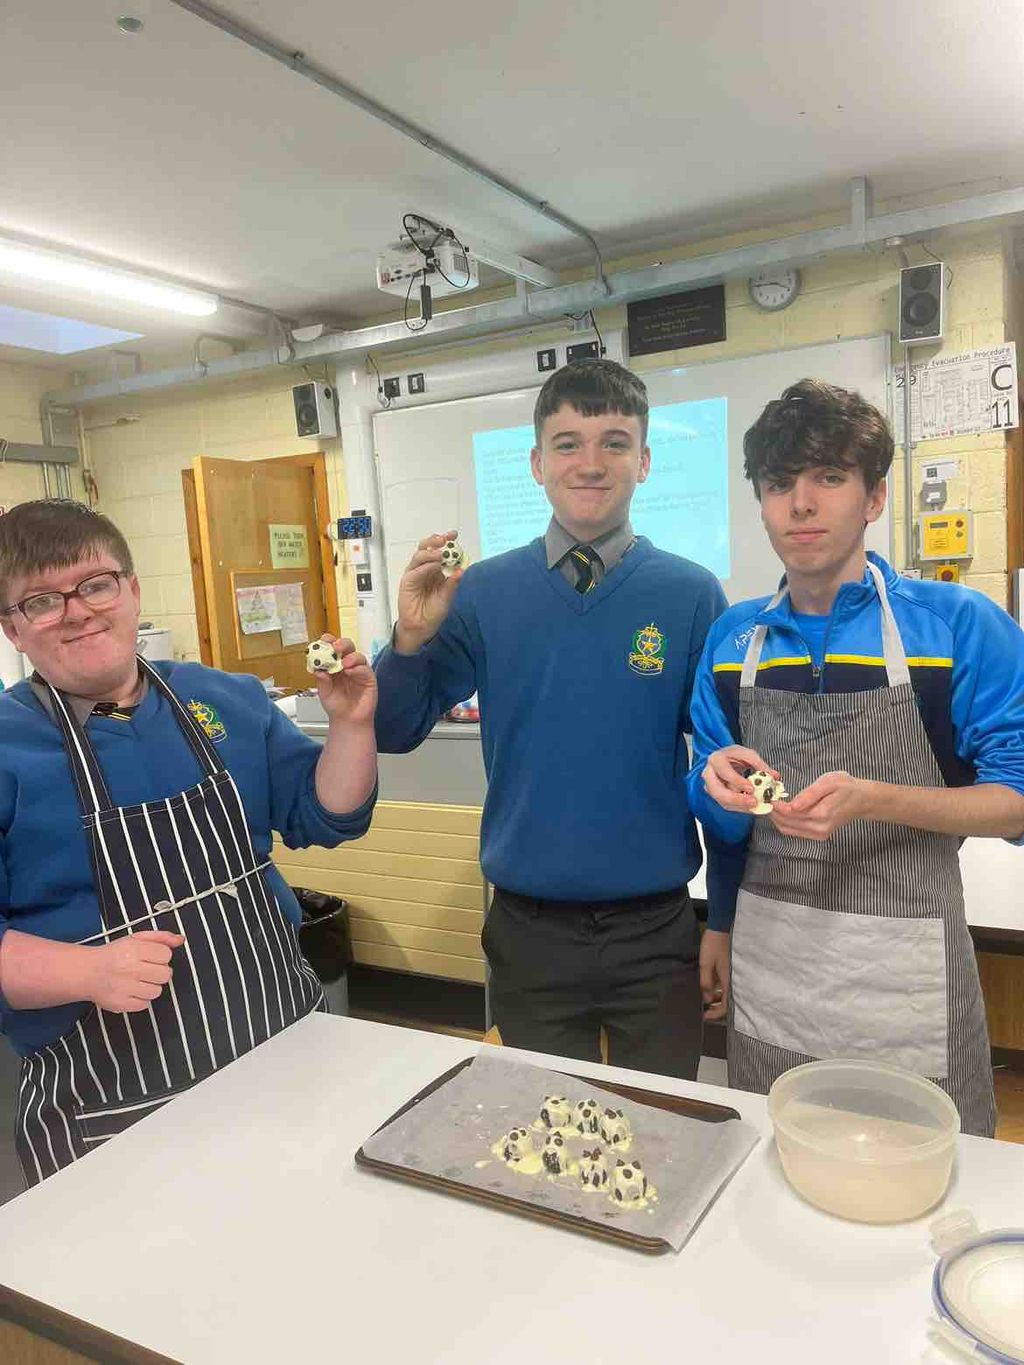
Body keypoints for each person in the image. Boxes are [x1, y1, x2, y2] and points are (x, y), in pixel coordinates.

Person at [374, 359, 739, 1078]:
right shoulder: (480, 591)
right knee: (543, 1120)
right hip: (528, 929)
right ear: (537, 464)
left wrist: (722, 918)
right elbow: (392, 729)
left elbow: (725, 770)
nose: (591, 463)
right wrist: (409, 638)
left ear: (645, 461)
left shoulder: (692, 595)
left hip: (656, 929)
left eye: (614, 442)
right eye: (568, 443)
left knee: (660, 1120)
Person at [0, 500, 378, 1183]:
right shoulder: (8, 748)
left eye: (95, 584)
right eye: (42, 601)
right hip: (115, 1110)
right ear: (13, 629)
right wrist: (88, 972)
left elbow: (328, 814)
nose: (78, 611)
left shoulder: (225, 698)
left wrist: (352, 725)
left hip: (289, 1056)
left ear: (133, 590)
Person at [687, 379, 1024, 1136]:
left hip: (905, 971)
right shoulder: (734, 642)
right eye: (780, 483)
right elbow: (722, 817)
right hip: (773, 966)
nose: (801, 504)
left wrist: (875, 798)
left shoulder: (956, 626)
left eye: (829, 477)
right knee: (778, 1156)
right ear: (761, 501)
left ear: (873, 498)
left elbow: (1018, 799)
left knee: (924, 1164)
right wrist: (711, 792)